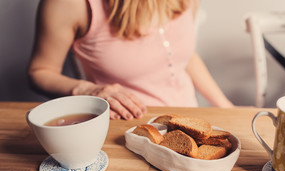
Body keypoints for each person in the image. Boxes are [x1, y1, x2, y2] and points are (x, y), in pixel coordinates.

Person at [28, 0, 234, 120]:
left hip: (189, 118)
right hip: (128, 130)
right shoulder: (70, 4)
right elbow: (39, 71)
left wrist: (226, 107)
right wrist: (86, 89)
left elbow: (183, 57)